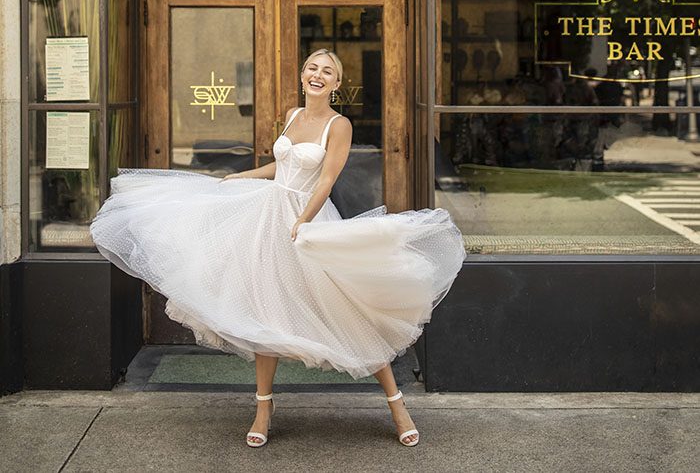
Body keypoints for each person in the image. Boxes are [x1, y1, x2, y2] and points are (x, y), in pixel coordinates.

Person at [90, 49, 465, 449]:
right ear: (303, 75)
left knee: (347, 310)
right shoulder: (292, 115)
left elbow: (325, 180)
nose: (317, 75)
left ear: (337, 84)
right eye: (312, 68)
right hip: (267, 216)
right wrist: (237, 178)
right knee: (263, 309)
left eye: (328, 72)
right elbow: (278, 169)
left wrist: (304, 219)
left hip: (307, 220)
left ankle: (396, 405)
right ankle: (263, 409)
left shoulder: (339, 126)